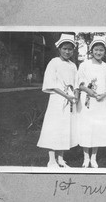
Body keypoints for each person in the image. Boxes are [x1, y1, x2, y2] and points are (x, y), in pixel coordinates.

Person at [37, 33, 78, 168]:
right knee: (54, 127)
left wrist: (74, 95)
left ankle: (61, 158)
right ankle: (51, 160)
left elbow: (75, 83)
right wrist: (66, 95)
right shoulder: (54, 62)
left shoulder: (73, 65)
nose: (67, 51)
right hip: (57, 99)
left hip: (70, 100)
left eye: (70, 49)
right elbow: (51, 83)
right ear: (59, 49)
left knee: (65, 128)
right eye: (64, 48)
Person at [77, 35, 106, 168]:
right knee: (86, 127)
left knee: (97, 128)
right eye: (96, 50)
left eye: (101, 50)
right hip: (87, 101)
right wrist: (87, 90)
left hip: (100, 102)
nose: (98, 52)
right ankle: (86, 157)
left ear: (104, 52)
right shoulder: (84, 65)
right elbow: (79, 83)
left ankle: (94, 157)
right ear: (92, 50)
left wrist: (104, 94)